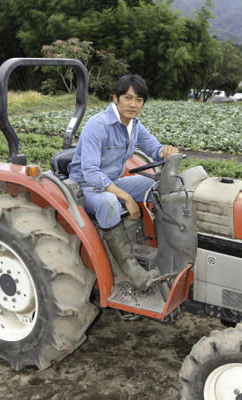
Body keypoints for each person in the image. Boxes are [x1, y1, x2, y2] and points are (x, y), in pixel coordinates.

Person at [68, 74, 179, 291]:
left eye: (139, 100)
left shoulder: (134, 126)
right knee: (110, 201)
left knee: (156, 186)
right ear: (115, 98)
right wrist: (126, 197)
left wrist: (166, 151)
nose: (133, 104)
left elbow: (154, 150)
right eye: (128, 98)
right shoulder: (97, 125)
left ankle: (164, 249)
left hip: (113, 181)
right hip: (85, 187)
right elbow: (90, 171)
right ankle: (132, 269)